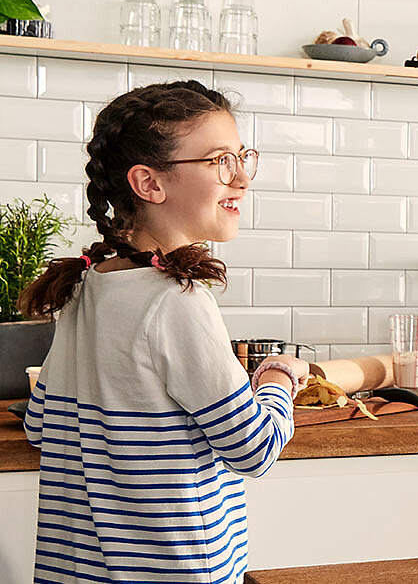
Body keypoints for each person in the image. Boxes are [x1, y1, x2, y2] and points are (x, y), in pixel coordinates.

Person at [20, 81, 306, 584]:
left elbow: (40, 427)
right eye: (220, 161)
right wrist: (280, 376)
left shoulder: (87, 287)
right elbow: (254, 448)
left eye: (242, 157)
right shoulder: (177, 301)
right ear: (149, 184)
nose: (241, 178)